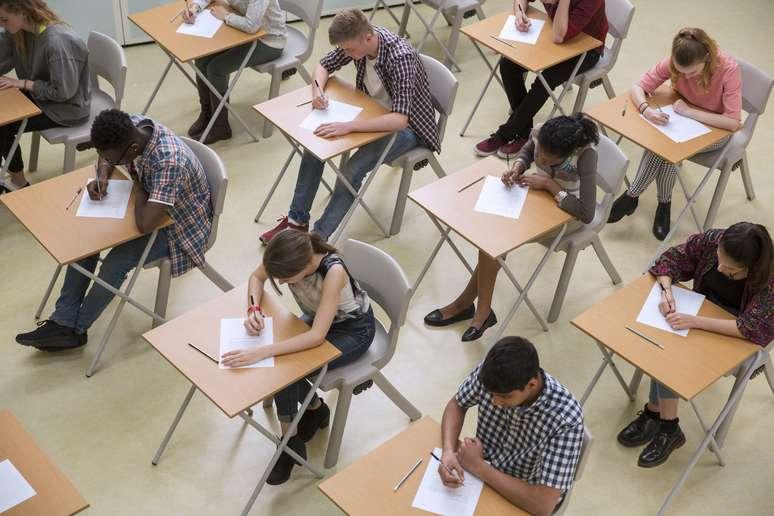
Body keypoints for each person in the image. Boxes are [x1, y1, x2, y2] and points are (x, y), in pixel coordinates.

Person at [15, 109, 213, 350]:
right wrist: (102, 176)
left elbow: (145, 223)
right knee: (86, 239)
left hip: (181, 227)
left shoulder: (168, 162)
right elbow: (106, 158)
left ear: (131, 150)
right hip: (152, 206)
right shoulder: (131, 126)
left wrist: (139, 188)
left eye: (112, 158)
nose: (106, 159)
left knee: (116, 263)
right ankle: (63, 322)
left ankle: (77, 330)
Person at [259, 8, 439, 243]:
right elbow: (323, 66)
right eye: (344, 50)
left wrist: (349, 127)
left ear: (368, 36)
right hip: (369, 113)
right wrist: (317, 91)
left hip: (409, 129)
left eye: (350, 50)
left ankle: (318, 239)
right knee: (315, 145)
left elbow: (399, 119)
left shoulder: (400, 57)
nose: (347, 54)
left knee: (352, 170)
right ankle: (296, 222)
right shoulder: (357, 44)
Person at [221, 229, 375, 485]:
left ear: (305, 266)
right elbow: (256, 278)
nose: (280, 283)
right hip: (320, 321)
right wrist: (253, 309)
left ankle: (289, 443)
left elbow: (316, 336)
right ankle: (313, 411)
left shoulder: (333, 272)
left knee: (286, 369)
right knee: (283, 364)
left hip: (353, 331)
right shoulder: (288, 254)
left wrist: (261, 351)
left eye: (286, 279)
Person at [426, 115, 599, 341]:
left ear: (566, 155)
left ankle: (471, 307)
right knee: (493, 236)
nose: (541, 159)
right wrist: (518, 166)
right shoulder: (540, 132)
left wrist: (550, 185)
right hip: (535, 197)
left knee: (496, 239)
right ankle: (475, 308)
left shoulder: (585, 156)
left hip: (567, 211)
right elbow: (527, 151)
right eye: (541, 154)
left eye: (548, 160)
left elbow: (587, 213)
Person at [618, 222, 773, 468]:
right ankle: (662, 419)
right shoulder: (714, 241)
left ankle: (662, 419)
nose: (720, 268)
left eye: (730, 270)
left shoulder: (769, 280)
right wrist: (666, 290)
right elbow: (670, 259)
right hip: (698, 313)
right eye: (719, 261)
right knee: (661, 342)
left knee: (668, 352)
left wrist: (694, 321)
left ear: (751, 269)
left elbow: (750, 328)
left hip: (734, 336)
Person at [607, 28, 743, 240]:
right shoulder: (676, 60)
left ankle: (632, 194)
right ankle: (664, 204)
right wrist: (646, 110)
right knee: (666, 146)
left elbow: (733, 123)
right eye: (680, 71)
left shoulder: (728, 69)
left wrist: (690, 113)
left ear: (706, 58)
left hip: (715, 130)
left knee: (669, 147)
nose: (685, 77)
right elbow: (638, 87)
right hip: (682, 118)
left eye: (691, 72)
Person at [439, 337, 583, 516]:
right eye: (491, 394)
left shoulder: (566, 420)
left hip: (521, 496)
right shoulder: (492, 374)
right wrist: (447, 451)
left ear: (531, 384)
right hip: (481, 476)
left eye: (505, 396)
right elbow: (457, 404)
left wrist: (479, 467)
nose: (495, 401)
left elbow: (542, 504)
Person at [474, 0, 607, 160]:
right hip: (555, 37)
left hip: (586, 49)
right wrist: (519, 14)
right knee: (508, 65)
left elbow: (559, 36)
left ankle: (504, 134)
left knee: (545, 80)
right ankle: (524, 132)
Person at [0, 0, 90, 190]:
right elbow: (3, 57)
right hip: (41, 96)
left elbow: (64, 92)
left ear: (22, 12)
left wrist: (24, 83)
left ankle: (19, 183)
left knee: (4, 125)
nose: (2, 24)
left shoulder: (57, 42)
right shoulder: (19, 31)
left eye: (4, 19)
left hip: (66, 108)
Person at [183, 0, 286, 144]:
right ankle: (207, 113)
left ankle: (221, 125)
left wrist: (226, 16)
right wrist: (194, 8)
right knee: (201, 60)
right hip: (241, 33)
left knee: (216, 68)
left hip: (269, 40)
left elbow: (252, 26)